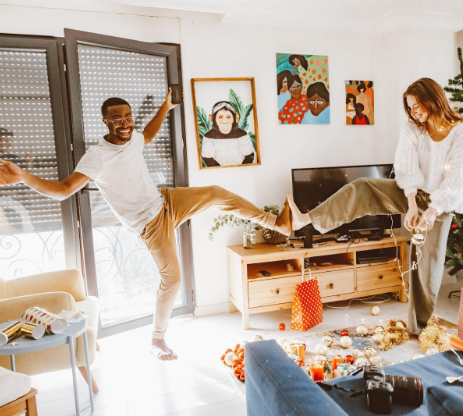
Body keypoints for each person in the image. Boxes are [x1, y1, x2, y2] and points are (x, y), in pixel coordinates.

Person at [0, 88, 292, 360]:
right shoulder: (97, 157)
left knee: (217, 193)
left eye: (128, 118)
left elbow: (148, 134)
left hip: (165, 200)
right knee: (173, 280)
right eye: (117, 120)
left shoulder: (133, 138)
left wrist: (166, 105)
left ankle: (277, 224)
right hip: (150, 225)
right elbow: (64, 189)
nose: (125, 124)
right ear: (106, 122)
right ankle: (157, 339)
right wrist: (25, 177)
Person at [287, 78, 463, 335]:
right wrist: (410, 204)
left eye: (417, 106)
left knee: (425, 264)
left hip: (441, 203)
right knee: (363, 186)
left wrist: (432, 210)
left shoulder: (461, 130)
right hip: (413, 193)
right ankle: (307, 219)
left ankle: (418, 329)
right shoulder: (412, 127)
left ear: (433, 99)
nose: (413, 112)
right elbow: (407, 166)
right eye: (409, 107)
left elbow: (458, 177)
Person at [201, 101, 255, 167]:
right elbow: (207, 158)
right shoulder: (209, 136)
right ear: (212, 119)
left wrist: (240, 169)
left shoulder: (242, 134)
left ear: (236, 118)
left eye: (228, 117)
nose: (225, 121)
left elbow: (249, 156)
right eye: (220, 117)